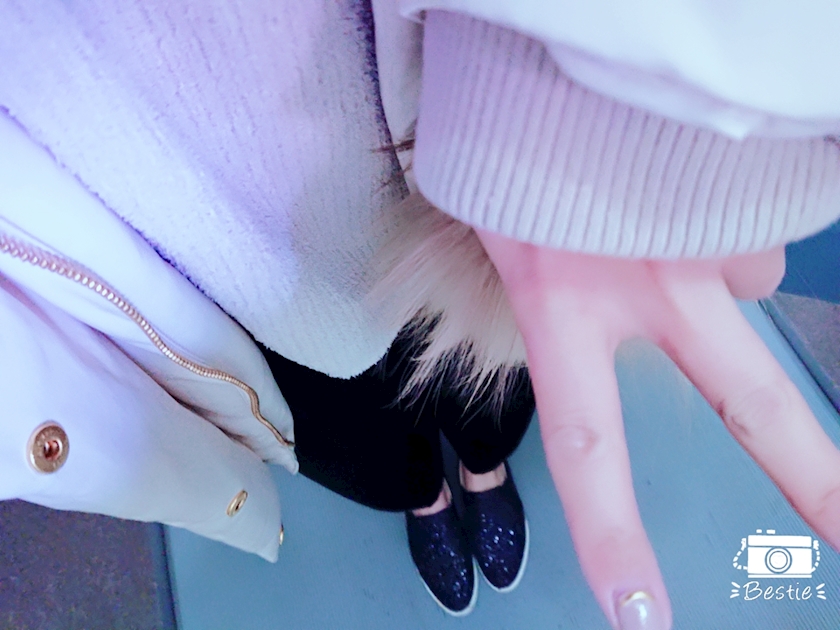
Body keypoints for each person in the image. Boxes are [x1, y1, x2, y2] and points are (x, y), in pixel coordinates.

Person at [1, 3, 839, 630]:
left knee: (490, 388)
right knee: (363, 449)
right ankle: (425, 497)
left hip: (458, 185)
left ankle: (479, 471)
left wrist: (549, 80)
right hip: (202, 288)